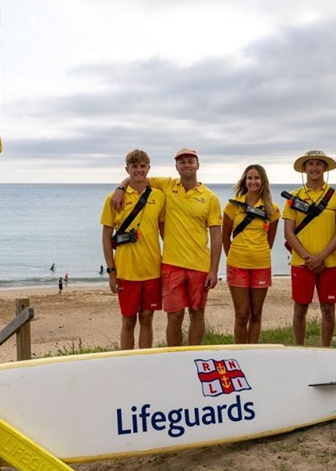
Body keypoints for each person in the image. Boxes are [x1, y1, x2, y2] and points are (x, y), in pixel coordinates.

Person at [112, 148, 221, 346]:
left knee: (197, 314)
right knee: (174, 316)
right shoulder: (167, 185)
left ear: (198, 165)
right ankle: (175, 357)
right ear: (176, 167)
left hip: (199, 265)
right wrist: (120, 188)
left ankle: (193, 356)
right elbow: (138, 177)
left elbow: (216, 236)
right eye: (182, 162)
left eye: (190, 161)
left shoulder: (210, 197)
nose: (186, 164)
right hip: (171, 264)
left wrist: (214, 270)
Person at [101, 149, 166, 350]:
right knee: (128, 321)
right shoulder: (114, 198)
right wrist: (111, 272)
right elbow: (105, 237)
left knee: (147, 319)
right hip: (126, 272)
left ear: (148, 168)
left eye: (142, 166)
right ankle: (126, 362)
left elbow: (164, 233)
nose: (139, 170)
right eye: (134, 166)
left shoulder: (159, 196)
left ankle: (144, 361)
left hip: (152, 270)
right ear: (127, 169)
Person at [282, 150, 336, 347]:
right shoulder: (294, 197)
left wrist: (321, 257)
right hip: (302, 263)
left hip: (330, 262)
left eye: (319, 163)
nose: (314, 168)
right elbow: (288, 232)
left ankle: (325, 349)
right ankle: (299, 349)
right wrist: (307, 256)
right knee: (300, 308)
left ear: (325, 168)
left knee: (328, 308)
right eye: (310, 164)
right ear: (304, 168)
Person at [222, 164, 280, 344]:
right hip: (237, 265)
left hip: (261, 265)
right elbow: (225, 239)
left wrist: (257, 253)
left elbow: (270, 240)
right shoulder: (233, 207)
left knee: (256, 313)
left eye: (256, 178)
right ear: (245, 181)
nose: (253, 181)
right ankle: (240, 352)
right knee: (241, 314)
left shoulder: (272, 209)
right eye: (250, 178)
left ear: (263, 181)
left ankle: (253, 350)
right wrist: (237, 255)